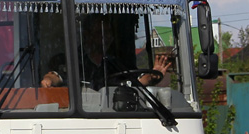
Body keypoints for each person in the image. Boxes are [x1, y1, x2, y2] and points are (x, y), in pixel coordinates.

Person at [41, 13, 171, 89]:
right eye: (100, 33)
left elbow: (137, 81)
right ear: (87, 35)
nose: (106, 37)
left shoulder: (117, 63)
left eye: (108, 32)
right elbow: (56, 76)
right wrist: (48, 80)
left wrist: (153, 77)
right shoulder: (73, 60)